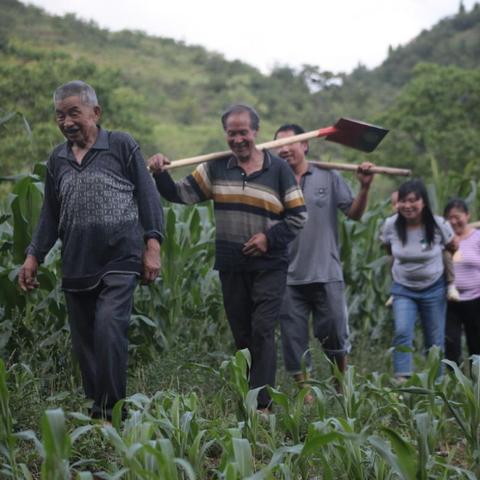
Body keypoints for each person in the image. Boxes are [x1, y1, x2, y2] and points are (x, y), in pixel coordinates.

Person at [18, 80, 164, 421]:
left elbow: (148, 196)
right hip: (77, 261)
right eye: (60, 115)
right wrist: (33, 255)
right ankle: (96, 412)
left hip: (120, 256)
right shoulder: (58, 158)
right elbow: (50, 214)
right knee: (85, 343)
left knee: (109, 328)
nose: (67, 122)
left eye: (74, 113)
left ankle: (113, 412)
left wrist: (152, 245)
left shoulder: (121, 145)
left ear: (95, 113)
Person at [148, 104, 307, 411]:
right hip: (232, 264)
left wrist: (267, 238)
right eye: (231, 133)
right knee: (243, 335)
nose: (237, 140)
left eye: (243, 133)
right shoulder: (215, 168)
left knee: (262, 329)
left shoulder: (278, 170)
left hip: (270, 265)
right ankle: (249, 394)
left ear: (255, 132)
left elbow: (298, 216)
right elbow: (180, 195)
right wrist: (160, 173)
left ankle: (262, 405)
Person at [273, 123, 374, 398]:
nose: (284, 149)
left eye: (290, 143)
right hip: (287, 277)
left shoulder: (328, 177)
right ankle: (305, 398)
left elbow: (353, 214)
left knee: (335, 337)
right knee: (294, 342)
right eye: (278, 145)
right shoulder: (272, 181)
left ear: (305, 145)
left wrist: (364, 188)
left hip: (326, 271)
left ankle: (341, 388)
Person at [380, 179, 455, 380]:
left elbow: (452, 246)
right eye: (403, 201)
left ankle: (437, 384)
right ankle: (402, 380)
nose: (408, 206)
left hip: (434, 288)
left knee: (434, 339)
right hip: (403, 287)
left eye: (413, 200)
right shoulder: (390, 225)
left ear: (424, 203)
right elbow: (388, 250)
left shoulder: (439, 224)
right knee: (403, 330)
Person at [443, 198, 480, 365]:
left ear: (467, 215)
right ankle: (453, 383)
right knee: (451, 345)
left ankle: (476, 383)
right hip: (449, 300)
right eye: (449, 218)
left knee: (476, 344)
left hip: (475, 299)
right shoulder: (443, 239)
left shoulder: (477, 237)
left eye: (457, 217)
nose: (453, 221)